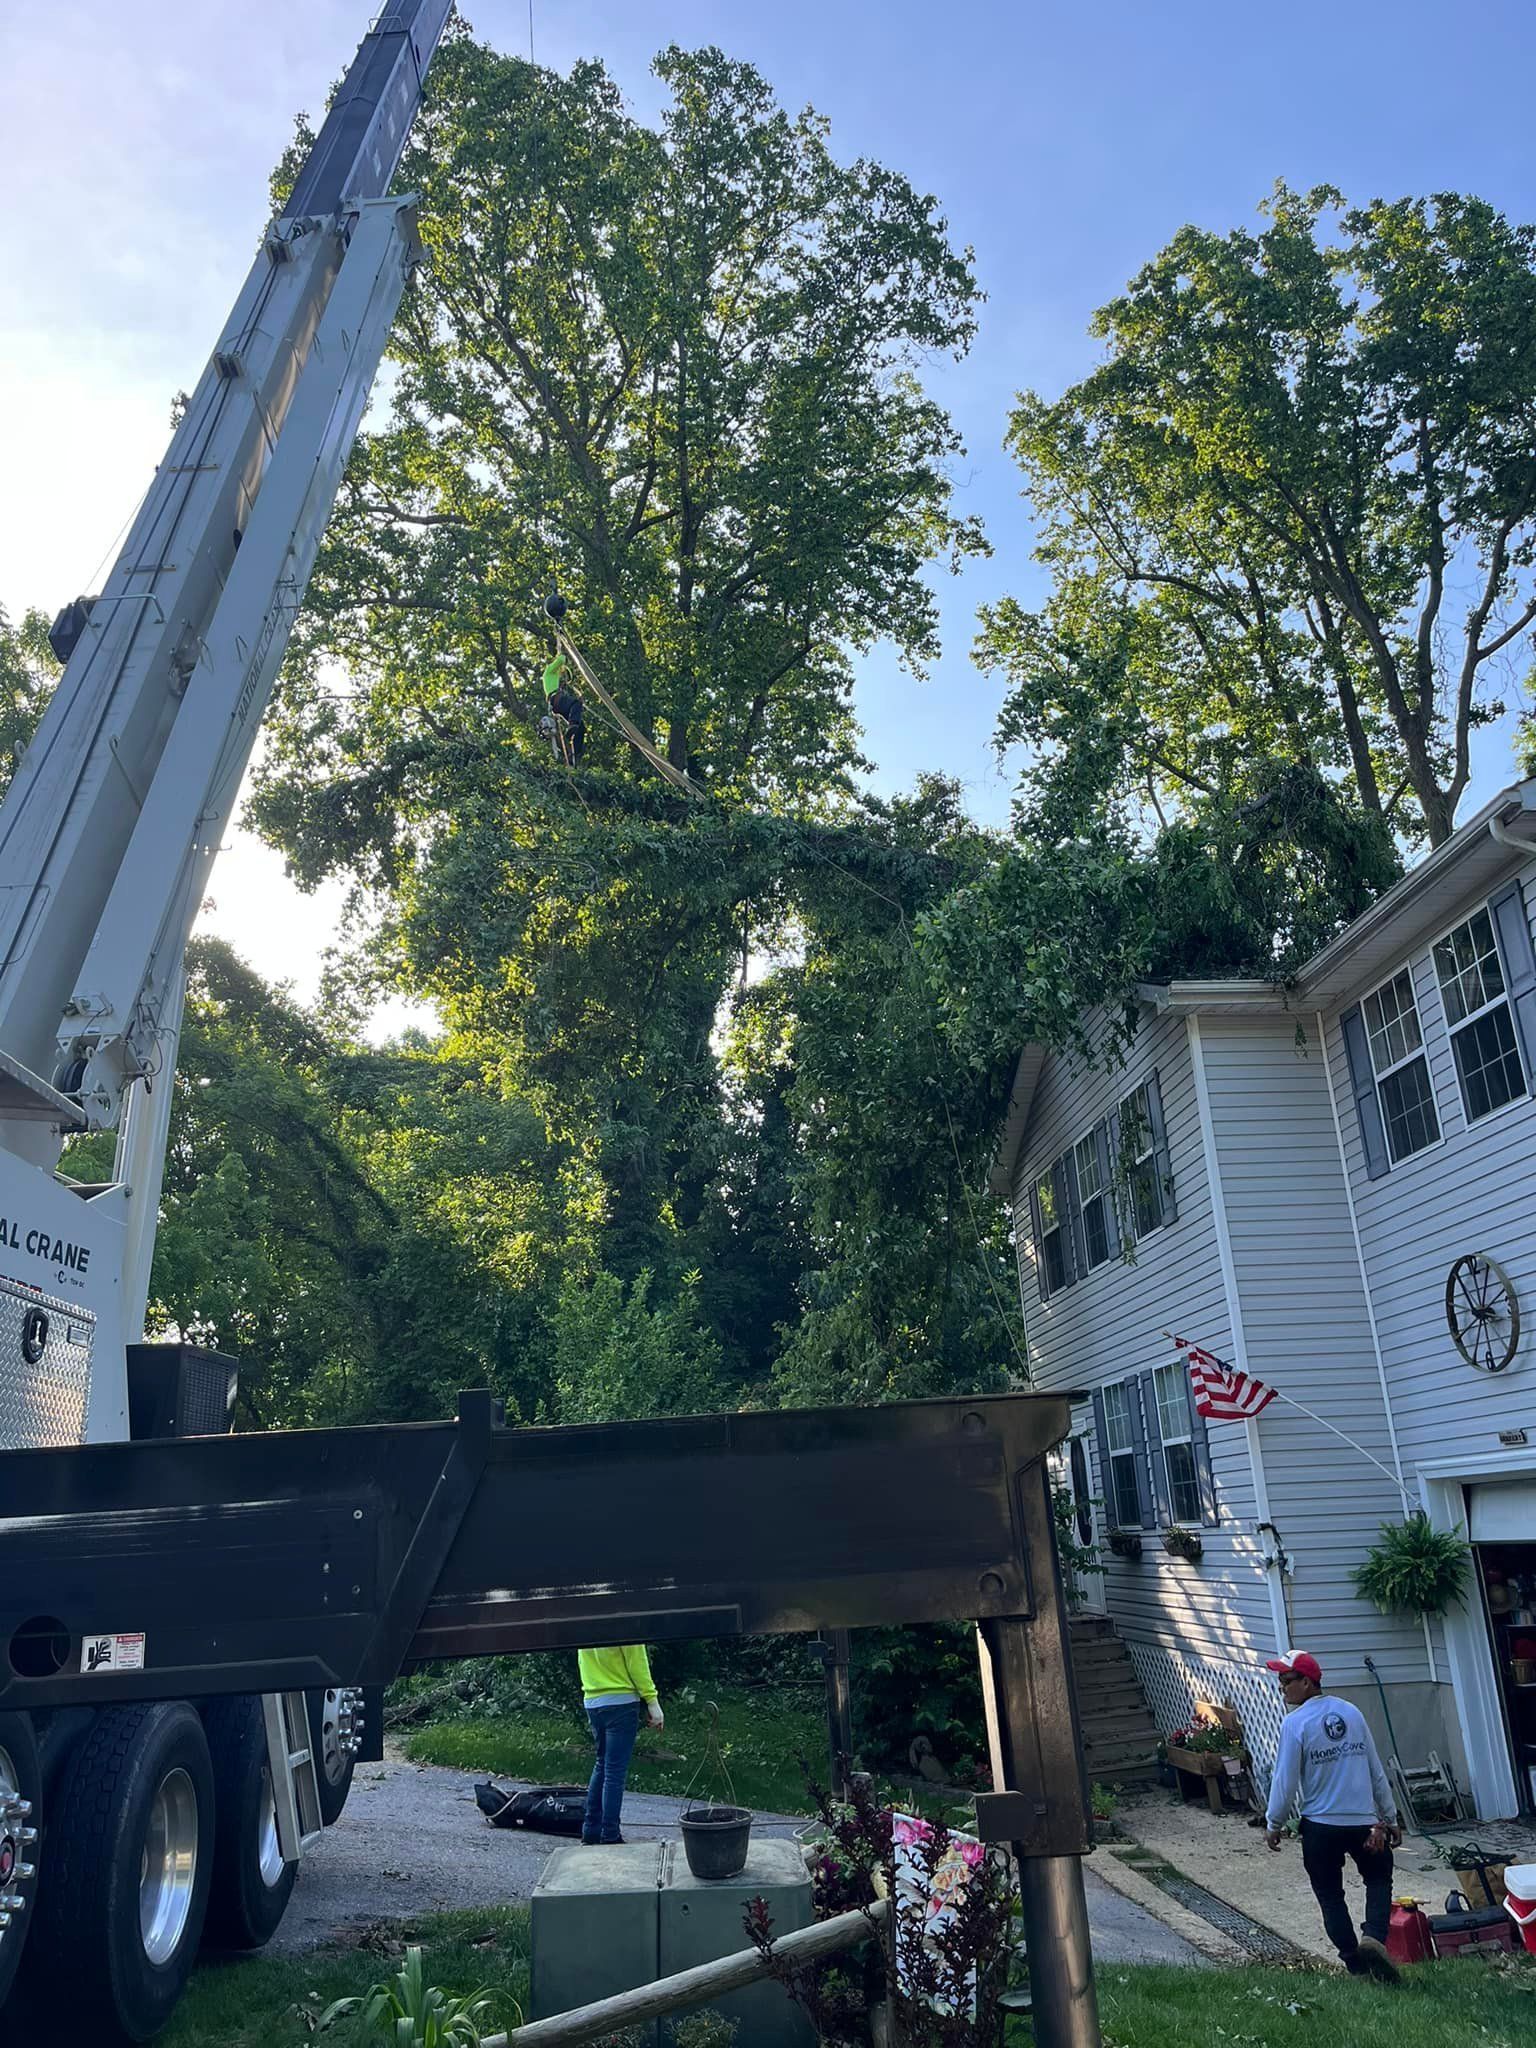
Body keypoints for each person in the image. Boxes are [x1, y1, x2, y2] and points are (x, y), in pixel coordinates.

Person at [1262, 1649, 1403, 1981]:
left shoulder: (1295, 1723)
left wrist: (1274, 1822)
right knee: (1379, 1880)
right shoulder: (1351, 1712)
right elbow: (1374, 1769)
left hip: (1321, 1827)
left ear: (1308, 1682)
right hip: (1365, 1824)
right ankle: (1374, 1939)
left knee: (1330, 1894)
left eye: (1286, 1680)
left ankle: (1356, 1965)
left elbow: (1285, 1779)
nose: (1281, 1688)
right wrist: (1390, 1817)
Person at [577, 1643, 663, 1845]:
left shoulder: (583, 1617)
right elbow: (636, 1663)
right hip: (621, 1701)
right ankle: (610, 1835)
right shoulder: (626, 1622)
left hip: (592, 1699)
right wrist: (652, 1701)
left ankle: (590, 1831)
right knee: (615, 1771)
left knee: (602, 1763)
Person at [542, 653, 586, 764]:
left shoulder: (555, 681)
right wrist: (561, 654)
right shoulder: (549, 671)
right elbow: (562, 659)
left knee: (581, 728)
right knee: (575, 704)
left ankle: (575, 755)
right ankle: (573, 724)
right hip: (556, 699)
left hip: (556, 704)